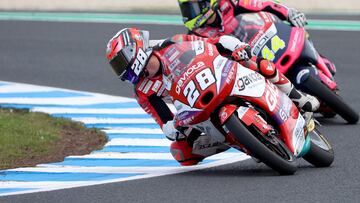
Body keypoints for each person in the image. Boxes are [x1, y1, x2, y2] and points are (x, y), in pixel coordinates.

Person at [106, 28, 319, 166]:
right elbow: (163, 121)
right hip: (195, 107)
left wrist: (234, 47)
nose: (122, 69)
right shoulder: (142, 91)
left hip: (218, 77)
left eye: (121, 61)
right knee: (181, 153)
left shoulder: (172, 44)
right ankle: (244, 142)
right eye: (117, 66)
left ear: (137, 49)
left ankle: (297, 96)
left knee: (251, 59)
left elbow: (212, 43)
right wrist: (174, 130)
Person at [177, 0, 337, 73]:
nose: (190, 15)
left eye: (192, 8)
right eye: (186, 10)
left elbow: (261, 4)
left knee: (295, 30)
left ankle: (318, 58)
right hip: (247, 60)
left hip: (260, 37)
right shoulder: (196, 35)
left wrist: (287, 13)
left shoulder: (228, 3)